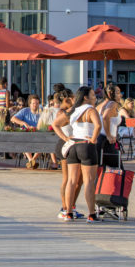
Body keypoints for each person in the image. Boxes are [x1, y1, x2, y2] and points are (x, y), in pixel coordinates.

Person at [62, 86, 102, 222]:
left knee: (71, 181)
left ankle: (68, 212)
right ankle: (91, 214)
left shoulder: (73, 111)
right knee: (89, 181)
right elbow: (98, 126)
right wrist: (94, 138)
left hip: (73, 145)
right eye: (92, 95)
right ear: (86, 97)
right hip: (86, 144)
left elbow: (56, 124)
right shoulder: (90, 110)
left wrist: (66, 138)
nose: (95, 97)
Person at [52, 89, 85, 219]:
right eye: (71, 98)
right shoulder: (63, 112)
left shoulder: (75, 110)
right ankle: (65, 207)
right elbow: (56, 125)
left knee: (79, 179)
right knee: (67, 178)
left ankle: (71, 205)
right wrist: (66, 138)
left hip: (75, 144)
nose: (74, 100)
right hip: (65, 145)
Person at [11, 95, 42, 169]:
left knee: (44, 142)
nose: (35, 105)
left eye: (37, 103)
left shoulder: (41, 111)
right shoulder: (25, 111)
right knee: (24, 140)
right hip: (27, 134)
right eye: (33, 103)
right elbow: (13, 118)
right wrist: (24, 123)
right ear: (30, 104)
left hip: (38, 134)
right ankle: (31, 160)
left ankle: (32, 160)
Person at [96, 84, 122, 168]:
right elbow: (105, 117)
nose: (120, 95)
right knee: (119, 170)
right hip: (107, 141)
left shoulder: (100, 105)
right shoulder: (113, 104)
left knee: (101, 170)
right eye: (118, 92)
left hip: (99, 139)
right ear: (111, 94)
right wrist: (109, 135)